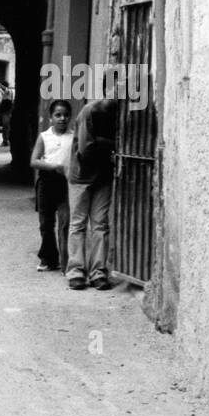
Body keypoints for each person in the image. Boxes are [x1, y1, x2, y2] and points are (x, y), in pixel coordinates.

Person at [66, 96, 119, 290]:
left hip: (103, 175)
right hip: (82, 175)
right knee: (78, 224)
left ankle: (98, 272)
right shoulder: (90, 111)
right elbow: (85, 148)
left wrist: (103, 142)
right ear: (108, 89)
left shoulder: (119, 112)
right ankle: (76, 271)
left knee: (100, 224)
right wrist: (112, 143)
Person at [30, 100, 74, 272]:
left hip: (66, 184)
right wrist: (54, 166)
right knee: (46, 224)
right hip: (47, 183)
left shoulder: (73, 137)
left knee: (65, 223)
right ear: (50, 118)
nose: (62, 118)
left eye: (65, 115)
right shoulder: (44, 136)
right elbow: (34, 161)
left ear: (70, 117)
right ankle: (49, 258)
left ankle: (66, 263)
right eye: (58, 115)